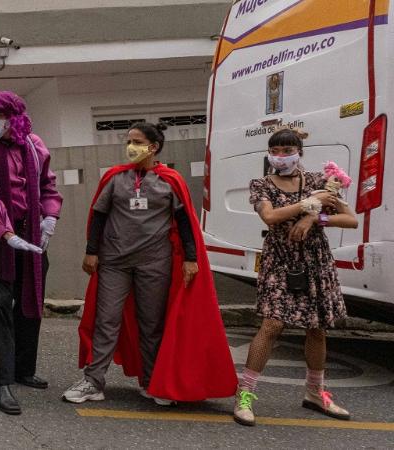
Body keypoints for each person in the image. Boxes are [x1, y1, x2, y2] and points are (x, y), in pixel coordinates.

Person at [63, 122, 236, 406]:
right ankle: (93, 382)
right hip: (114, 263)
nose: (130, 146)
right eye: (128, 141)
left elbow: (185, 222)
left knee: (151, 324)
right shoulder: (115, 179)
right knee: (106, 320)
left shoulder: (170, 180)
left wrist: (191, 259)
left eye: (136, 141)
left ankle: (151, 381)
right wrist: (91, 251)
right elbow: (98, 215)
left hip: (155, 263)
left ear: (153, 147)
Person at [233, 129, 359, 426]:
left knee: (317, 328)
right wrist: (307, 205)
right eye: (275, 150)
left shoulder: (318, 181)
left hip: (315, 260)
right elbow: (270, 217)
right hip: (280, 260)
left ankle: (315, 392)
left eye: (287, 149)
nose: (281, 155)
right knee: (272, 324)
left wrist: (315, 217)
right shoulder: (261, 184)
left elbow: (350, 219)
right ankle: (245, 395)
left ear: (299, 151)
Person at [0, 91, 62, 415]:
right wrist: (5, 232)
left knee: (30, 300)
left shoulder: (34, 146)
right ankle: (2, 383)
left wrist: (49, 218)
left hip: (32, 234)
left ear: (15, 119)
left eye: (0, 116)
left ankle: (23, 369)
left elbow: (48, 186)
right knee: (0, 307)